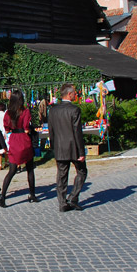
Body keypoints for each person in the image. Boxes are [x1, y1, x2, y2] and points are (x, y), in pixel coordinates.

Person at [48, 83, 88, 212]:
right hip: (73, 147)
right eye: (75, 93)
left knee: (62, 175)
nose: (76, 95)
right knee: (82, 171)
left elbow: (51, 131)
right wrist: (81, 151)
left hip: (60, 146)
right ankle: (73, 197)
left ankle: (62, 202)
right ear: (70, 94)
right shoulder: (74, 110)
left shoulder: (53, 110)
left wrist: (54, 146)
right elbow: (77, 131)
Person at [0, 90, 38, 208]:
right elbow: (26, 128)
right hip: (24, 139)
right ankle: (32, 194)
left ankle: (3, 195)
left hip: (14, 139)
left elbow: (6, 129)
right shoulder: (25, 111)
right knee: (30, 168)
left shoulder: (8, 113)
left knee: (12, 170)